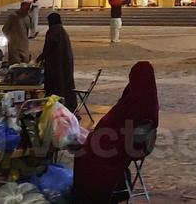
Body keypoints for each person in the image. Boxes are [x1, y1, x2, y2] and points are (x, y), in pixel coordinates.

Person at [71, 61, 159, 204]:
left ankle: (88, 195)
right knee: (89, 145)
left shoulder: (135, 99)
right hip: (133, 143)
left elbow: (118, 122)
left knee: (86, 152)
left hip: (124, 143)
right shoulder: (149, 99)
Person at [37, 11, 76, 109]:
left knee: (56, 86)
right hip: (65, 63)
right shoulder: (61, 30)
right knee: (65, 85)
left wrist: (40, 58)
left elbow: (49, 46)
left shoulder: (53, 30)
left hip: (56, 65)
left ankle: (56, 107)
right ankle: (68, 107)